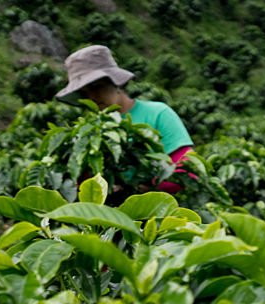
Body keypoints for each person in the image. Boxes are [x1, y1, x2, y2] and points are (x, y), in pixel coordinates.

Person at [55, 44, 194, 193]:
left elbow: (187, 168)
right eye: (84, 93)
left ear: (116, 82)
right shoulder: (91, 130)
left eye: (97, 87)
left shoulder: (158, 113)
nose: (92, 97)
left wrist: (141, 188)